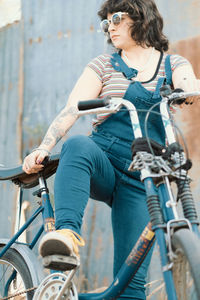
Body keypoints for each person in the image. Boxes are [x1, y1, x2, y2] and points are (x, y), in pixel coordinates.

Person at [23, 0, 200, 298]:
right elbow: (72, 108)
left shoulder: (172, 64)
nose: (111, 26)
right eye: (107, 22)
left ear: (141, 16)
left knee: (130, 288)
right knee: (78, 144)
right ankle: (66, 235)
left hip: (143, 174)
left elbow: (188, 83)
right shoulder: (103, 65)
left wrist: (189, 91)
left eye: (117, 17)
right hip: (103, 158)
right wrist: (43, 146)